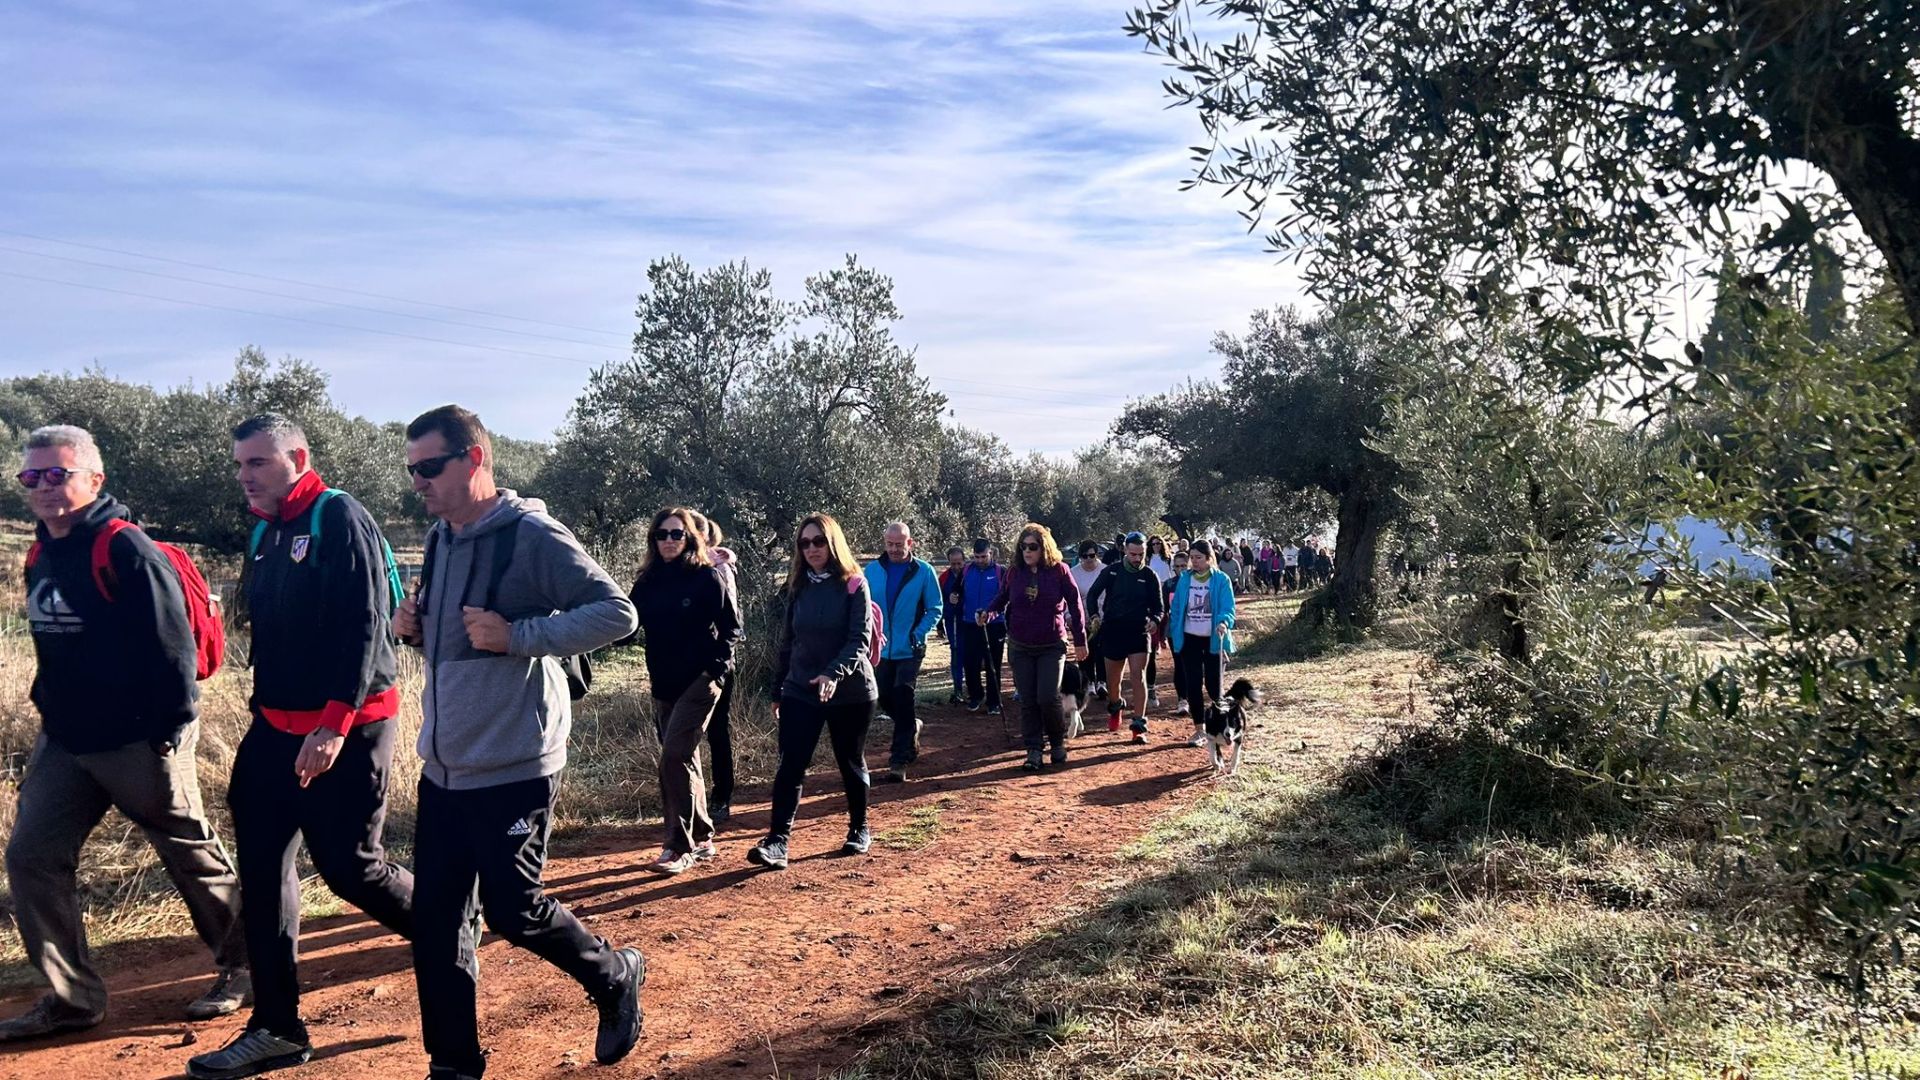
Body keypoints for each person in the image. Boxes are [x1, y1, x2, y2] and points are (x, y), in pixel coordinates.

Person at [393, 404, 644, 1077]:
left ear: (474, 459)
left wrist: (522, 637)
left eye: (430, 467)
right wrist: (413, 629)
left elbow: (618, 612)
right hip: (445, 764)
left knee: (514, 909)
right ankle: (454, 1066)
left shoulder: (529, 534)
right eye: (411, 470)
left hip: (514, 760)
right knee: (437, 923)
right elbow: (457, 642)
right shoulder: (441, 536)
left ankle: (613, 974)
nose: (418, 481)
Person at [1, 426, 248, 1044]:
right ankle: (70, 999)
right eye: (31, 477)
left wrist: (168, 731)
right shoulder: (40, 552)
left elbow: (175, 652)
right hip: (67, 738)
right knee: (32, 857)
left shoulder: (125, 548)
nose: (43, 488)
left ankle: (248, 967)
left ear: (93, 479)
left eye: (57, 475)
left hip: (141, 737)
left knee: (186, 849)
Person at [187, 415, 416, 1080]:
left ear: (298, 457)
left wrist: (334, 724)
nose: (244, 477)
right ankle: (277, 1029)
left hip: (347, 728)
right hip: (274, 729)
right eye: (239, 465)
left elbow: (366, 627)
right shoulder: (266, 530)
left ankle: (444, 925)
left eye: (257, 463)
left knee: (350, 869)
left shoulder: (338, 517)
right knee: (261, 869)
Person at [748, 513, 878, 869]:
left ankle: (859, 827)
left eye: (818, 541)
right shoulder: (799, 585)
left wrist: (832, 674)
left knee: (849, 761)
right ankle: (777, 842)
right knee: (791, 763)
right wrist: (777, 688)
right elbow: (788, 642)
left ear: (832, 542)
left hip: (850, 690)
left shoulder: (854, 584)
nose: (811, 549)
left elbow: (859, 640)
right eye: (804, 543)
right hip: (801, 688)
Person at [626, 506, 741, 876]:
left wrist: (716, 670)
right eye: (662, 535)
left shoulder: (706, 577)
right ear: (653, 540)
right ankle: (704, 835)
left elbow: (731, 628)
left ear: (690, 537)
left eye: (676, 534)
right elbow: (626, 624)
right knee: (683, 757)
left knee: (673, 756)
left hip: (701, 681)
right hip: (664, 681)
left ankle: (679, 846)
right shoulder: (647, 582)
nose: (669, 541)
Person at [985, 523, 1087, 771]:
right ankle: (1033, 749)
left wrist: (1080, 640)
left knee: (1047, 696)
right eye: (1023, 546)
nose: (1027, 551)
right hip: (1020, 645)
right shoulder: (1014, 572)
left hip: (1052, 644)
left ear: (1044, 548)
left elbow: (1075, 604)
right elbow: (1002, 597)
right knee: (1028, 699)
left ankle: (1057, 742)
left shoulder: (1059, 571)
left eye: (1033, 546)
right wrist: (988, 612)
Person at [862, 522, 942, 784]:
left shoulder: (924, 571)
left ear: (910, 543)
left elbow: (935, 608)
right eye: (890, 544)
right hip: (880, 649)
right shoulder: (872, 571)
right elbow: (862, 607)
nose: (894, 549)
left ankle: (898, 760)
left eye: (899, 544)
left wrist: (917, 634)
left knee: (903, 693)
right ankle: (912, 727)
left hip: (910, 648)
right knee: (884, 697)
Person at [1084, 532, 1165, 745]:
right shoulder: (1111, 572)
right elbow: (1092, 595)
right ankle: (1116, 706)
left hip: (1139, 632)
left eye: (1141, 554)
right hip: (1113, 631)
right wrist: (1094, 616)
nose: (1137, 558)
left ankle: (1139, 725)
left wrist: (1155, 620)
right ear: (1125, 551)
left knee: (1138, 677)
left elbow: (1159, 607)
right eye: (1133, 554)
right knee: (1113, 682)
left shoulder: (1149, 575)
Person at [688, 511, 740, 826]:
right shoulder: (672, 569)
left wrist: (717, 665)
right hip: (681, 665)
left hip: (714, 665)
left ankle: (722, 797)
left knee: (717, 731)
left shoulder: (720, 568)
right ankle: (693, 800)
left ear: (706, 537)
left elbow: (730, 622)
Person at [1170, 540, 1238, 747]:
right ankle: (1199, 730)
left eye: (1198, 558)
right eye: (1192, 558)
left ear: (1209, 558)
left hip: (1213, 639)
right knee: (1193, 683)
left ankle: (1221, 725)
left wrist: (1224, 622)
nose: (1194, 562)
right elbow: (1178, 607)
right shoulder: (1185, 580)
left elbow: (1228, 607)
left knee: (1213, 686)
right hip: (1189, 637)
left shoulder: (1221, 580)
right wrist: (1175, 630)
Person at [959, 538, 1006, 715]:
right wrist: (954, 597)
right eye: (976, 557)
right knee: (970, 663)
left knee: (993, 664)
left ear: (991, 553)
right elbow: (957, 591)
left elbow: (1005, 598)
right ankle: (975, 696)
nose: (979, 560)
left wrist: (992, 614)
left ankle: (994, 701)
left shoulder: (1000, 572)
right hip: (970, 623)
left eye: (983, 556)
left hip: (995, 624)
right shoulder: (967, 570)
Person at [1067, 541, 1108, 698]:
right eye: (1085, 556)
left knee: (1102, 650)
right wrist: (1069, 616)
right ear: (1080, 557)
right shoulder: (1073, 573)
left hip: (1102, 616)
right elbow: (1069, 598)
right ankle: (1089, 681)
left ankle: (1102, 682)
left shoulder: (1105, 571)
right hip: (1082, 618)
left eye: (1092, 555)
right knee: (1085, 650)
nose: (1089, 559)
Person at [1163, 549, 1192, 716]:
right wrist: (1161, 635)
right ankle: (1182, 699)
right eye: (1177, 566)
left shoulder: (1196, 583)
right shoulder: (1168, 585)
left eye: (1183, 566)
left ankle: (1193, 695)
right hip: (1175, 630)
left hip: (1195, 629)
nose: (1180, 569)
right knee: (1180, 664)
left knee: (1193, 664)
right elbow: (1164, 611)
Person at [938, 546, 968, 705]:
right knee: (956, 652)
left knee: (971, 653)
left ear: (964, 561)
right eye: (953, 563)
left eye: (959, 563)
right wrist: (939, 624)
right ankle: (957, 688)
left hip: (969, 620)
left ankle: (973, 687)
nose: (956, 567)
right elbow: (939, 601)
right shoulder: (943, 578)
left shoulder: (970, 574)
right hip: (953, 620)